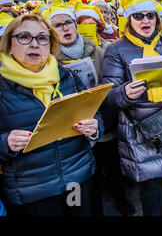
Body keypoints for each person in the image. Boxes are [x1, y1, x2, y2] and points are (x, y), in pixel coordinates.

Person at [102, 0, 162, 216]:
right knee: (152, 191)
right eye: (138, 16)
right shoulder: (116, 49)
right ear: (129, 20)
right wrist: (124, 93)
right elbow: (108, 94)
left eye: (150, 15)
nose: (145, 20)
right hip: (140, 133)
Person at [0, 13, 103, 216]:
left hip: (76, 178)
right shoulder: (3, 87)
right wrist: (5, 142)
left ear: (50, 44)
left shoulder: (67, 76)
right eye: (24, 37)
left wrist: (94, 127)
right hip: (33, 191)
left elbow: (95, 114)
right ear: (9, 43)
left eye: (42, 38)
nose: (34, 44)